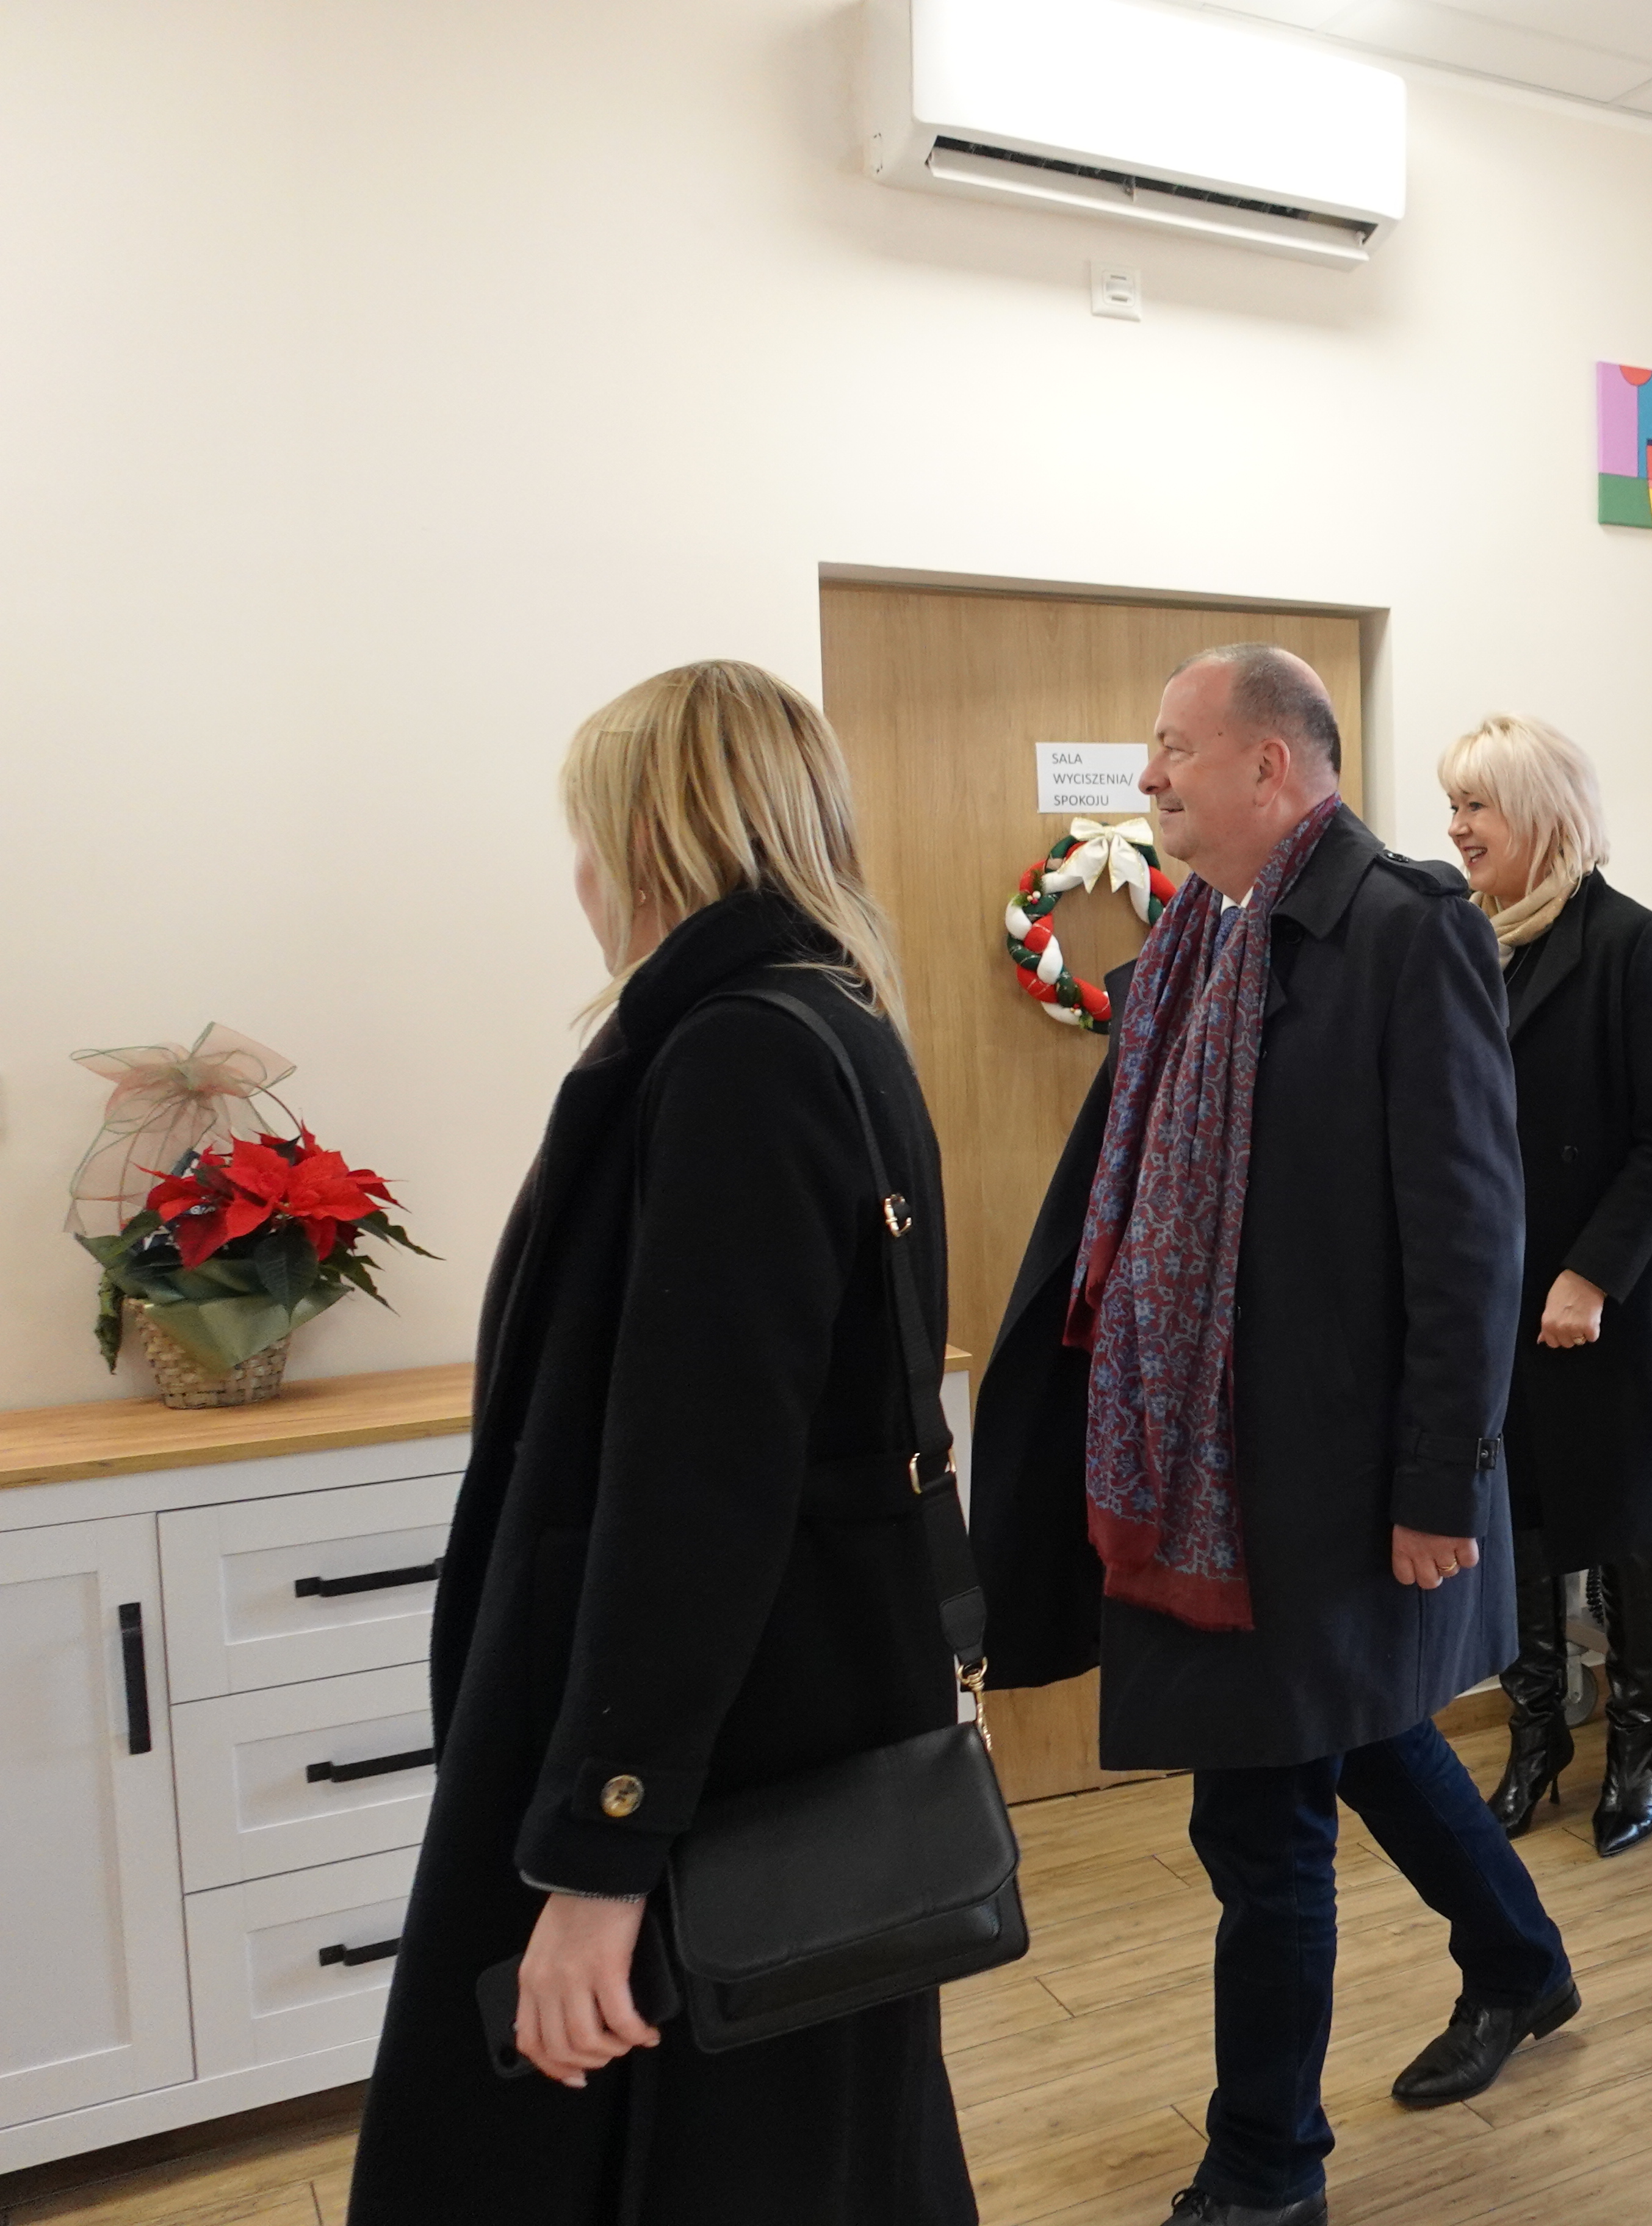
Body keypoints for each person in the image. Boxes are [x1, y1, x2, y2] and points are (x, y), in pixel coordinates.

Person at [348, 662, 975, 2224]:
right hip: (795, 1718)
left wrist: (602, 1852)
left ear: (646, 839)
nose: (574, 877)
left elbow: (700, 1489)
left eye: (584, 834)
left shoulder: (736, 1054)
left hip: (724, 1763)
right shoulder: (830, 1023)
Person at [970, 644, 1575, 2226]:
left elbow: (1472, 1236)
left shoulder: (1405, 932)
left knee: (1260, 1816)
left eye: (1174, 748)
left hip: (1328, 1482)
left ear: (1269, 765)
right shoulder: (1199, 941)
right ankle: (1521, 1958)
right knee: (1355, 1740)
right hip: (1221, 1476)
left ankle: (1265, 2170)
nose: (1148, 775)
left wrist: (1442, 1482)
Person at [1440, 713, 1652, 1859]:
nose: (1457, 828)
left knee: (1630, 1532)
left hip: (1611, 1301)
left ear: (1541, 816)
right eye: (1453, 805)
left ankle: (1638, 1751)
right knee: (1517, 1529)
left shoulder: (1634, 946)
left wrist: (1590, 1275)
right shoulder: (1464, 945)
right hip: (1497, 1298)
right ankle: (1538, 1736)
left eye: (1477, 806)